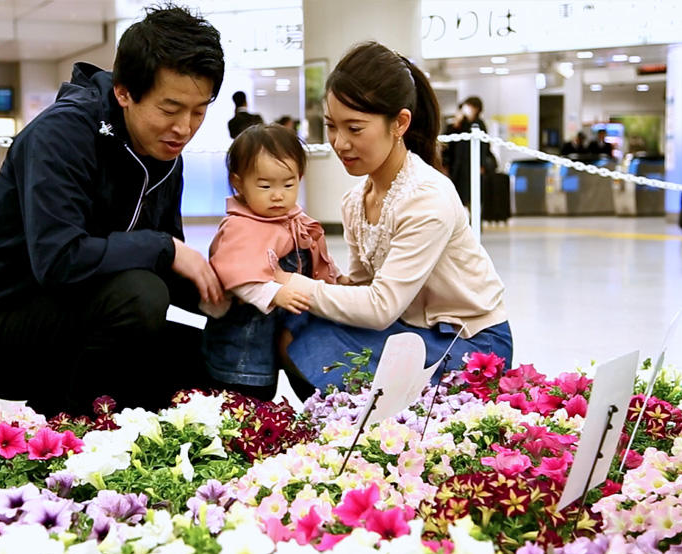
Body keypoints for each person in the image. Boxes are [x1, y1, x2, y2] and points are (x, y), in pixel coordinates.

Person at [0, 5, 226, 418]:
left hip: (81, 311)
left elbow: (167, 265)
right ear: (124, 91)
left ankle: (86, 410)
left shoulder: (165, 153)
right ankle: (72, 432)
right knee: (140, 296)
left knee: (215, 363)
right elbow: (59, 260)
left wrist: (234, 292)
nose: (184, 127)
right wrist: (165, 247)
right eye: (170, 109)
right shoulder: (61, 135)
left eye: (199, 111)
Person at [274, 41, 513, 395]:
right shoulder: (356, 201)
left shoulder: (426, 197)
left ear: (399, 123)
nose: (340, 143)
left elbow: (380, 307)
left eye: (354, 129)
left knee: (308, 334)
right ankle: (341, 425)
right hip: (411, 331)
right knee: (293, 322)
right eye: (331, 126)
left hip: (469, 345)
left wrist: (295, 284)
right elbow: (360, 287)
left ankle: (353, 428)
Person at [201, 124, 339, 400]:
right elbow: (239, 277)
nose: (278, 194)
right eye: (264, 186)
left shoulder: (293, 221)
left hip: (279, 336)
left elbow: (317, 257)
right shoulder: (242, 228)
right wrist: (277, 292)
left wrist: (336, 278)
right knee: (246, 400)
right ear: (239, 183)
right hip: (242, 345)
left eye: (288, 184)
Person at [443, 96, 496, 207]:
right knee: (457, 196)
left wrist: (482, 165)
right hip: (457, 166)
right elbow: (447, 145)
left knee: (474, 195)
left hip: (473, 165)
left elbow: (484, 146)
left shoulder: (479, 124)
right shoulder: (457, 124)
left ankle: (475, 221)